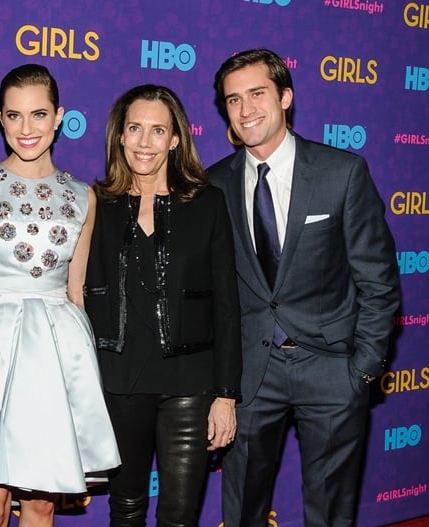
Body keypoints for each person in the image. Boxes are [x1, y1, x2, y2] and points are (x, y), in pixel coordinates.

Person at [207, 49, 400, 527]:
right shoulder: (213, 186)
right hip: (250, 375)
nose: (246, 109)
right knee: (243, 510)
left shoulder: (342, 172)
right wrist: (220, 384)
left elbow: (378, 280)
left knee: (331, 512)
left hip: (331, 369)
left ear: (285, 97)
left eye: (257, 94)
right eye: (234, 100)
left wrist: (361, 371)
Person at [0, 63, 121, 527]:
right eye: (14, 116)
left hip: (56, 350)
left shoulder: (84, 196)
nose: (26, 128)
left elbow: (77, 290)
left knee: (42, 504)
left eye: (38, 114)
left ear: (59, 117)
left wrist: (85, 375)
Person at [84, 84, 242, 526]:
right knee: (127, 507)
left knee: (179, 514)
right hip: (118, 381)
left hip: (190, 385)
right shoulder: (98, 204)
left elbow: (227, 306)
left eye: (158, 131)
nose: (144, 142)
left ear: (176, 139)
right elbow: (66, 280)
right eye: (135, 128)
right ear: (120, 135)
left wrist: (226, 395)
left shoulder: (207, 204)